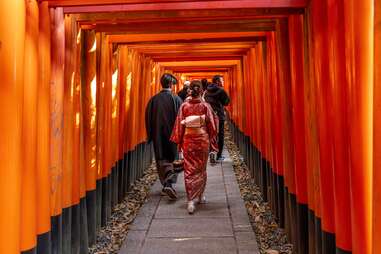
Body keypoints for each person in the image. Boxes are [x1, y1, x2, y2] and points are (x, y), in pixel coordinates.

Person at [170, 80, 218, 214]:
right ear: (201, 91)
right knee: (201, 169)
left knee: (189, 169)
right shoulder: (205, 106)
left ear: (190, 90)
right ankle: (201, 196)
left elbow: (179, 126)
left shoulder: (184, 106)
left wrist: (179, 145)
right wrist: (213, 143)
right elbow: (212, 126)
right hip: (202, 140)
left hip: (188, 140)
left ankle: (190, 200)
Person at [145, 73, 183, 200]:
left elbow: (148, 118)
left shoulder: (153, 100)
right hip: (173, 134)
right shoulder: (176, 99)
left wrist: (150, 134)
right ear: (171, 84)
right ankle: (169, 184)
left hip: (158, 134)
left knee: (161, 158)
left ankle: (166, 184)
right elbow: (181, 117)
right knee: (173, 158)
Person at [204, 75, 230, 161]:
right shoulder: (221, 91)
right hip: (219, 115)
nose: (223, 82)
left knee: (210, 134)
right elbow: (226, 102)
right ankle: (218, 155)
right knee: (220, 135)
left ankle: (211, 151)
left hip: (209, 116)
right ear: (217, 81)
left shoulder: (207, 91)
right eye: (222, 81)